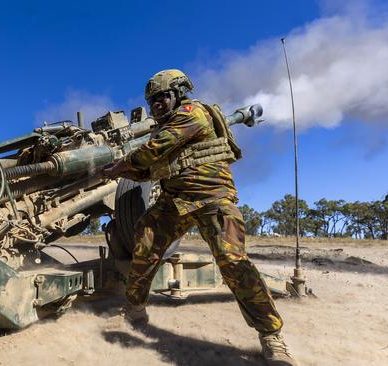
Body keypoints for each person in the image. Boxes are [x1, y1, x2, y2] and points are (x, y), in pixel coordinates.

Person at [103, 69, 297, 366]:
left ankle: (272, 336)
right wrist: (111, 170)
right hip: (174, 201)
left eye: (162, 98)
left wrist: (121, 165)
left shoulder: (192, 113)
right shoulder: (163, 127)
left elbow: (156, 150)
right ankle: (135, 308)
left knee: (234, 263)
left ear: (179, 94)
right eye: (152, 100)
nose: (156, 105)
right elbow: (145, 171)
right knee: (144, 241)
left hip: (212, 198)